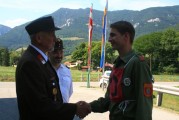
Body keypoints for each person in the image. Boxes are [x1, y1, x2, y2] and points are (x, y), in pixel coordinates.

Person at [15, 16, 91, 120]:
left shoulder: (39, 59)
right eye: (52, 34)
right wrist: (74, 109)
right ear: (39, 38)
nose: (55, 39)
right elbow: (40, 106)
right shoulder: (30, 63)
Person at [90, 21, 153, 120]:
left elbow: (144, 104)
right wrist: (88, 107)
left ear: (126, 36)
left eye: (113, 35)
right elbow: (110, 100)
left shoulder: (138, 64)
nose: (109, 39)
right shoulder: (118, 64)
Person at [48, 38, 81, 120]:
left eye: (61, 52)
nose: (59, 55)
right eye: (55, 52)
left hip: (64, 113)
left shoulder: (67, 71)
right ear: (48, 53)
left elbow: (70, 91)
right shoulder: (43, 70)